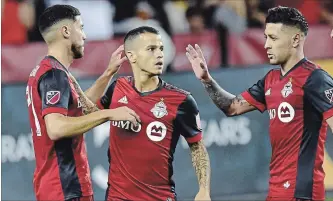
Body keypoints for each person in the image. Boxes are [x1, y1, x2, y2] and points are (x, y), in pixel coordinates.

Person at [186, 6, 333, 201]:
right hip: (276, 190)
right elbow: (232, 107)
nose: (266, 45)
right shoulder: (271, 79)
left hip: (302, 192)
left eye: (273, 38)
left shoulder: (315, 79)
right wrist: (206, 79)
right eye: (266, 37)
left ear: (295, 39)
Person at [26, 5, 140, 201]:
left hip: (57, 185)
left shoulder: (50, 69)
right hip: (65, 186)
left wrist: (107, 74)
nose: (85, 36)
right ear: (66, 31)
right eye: (81, 27)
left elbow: (77, 108)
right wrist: (109, 114)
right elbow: (56, 127)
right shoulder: (55, 75)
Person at [94, 26, 211, 201]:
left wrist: (204, 190)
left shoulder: (181, 100)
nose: (160, 55)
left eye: (161, 49)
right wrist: (108, 74)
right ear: (132, 56)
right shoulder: (117, 88)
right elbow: (87, 113)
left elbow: (197, 147)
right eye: (151, 49)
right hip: (117, 197)